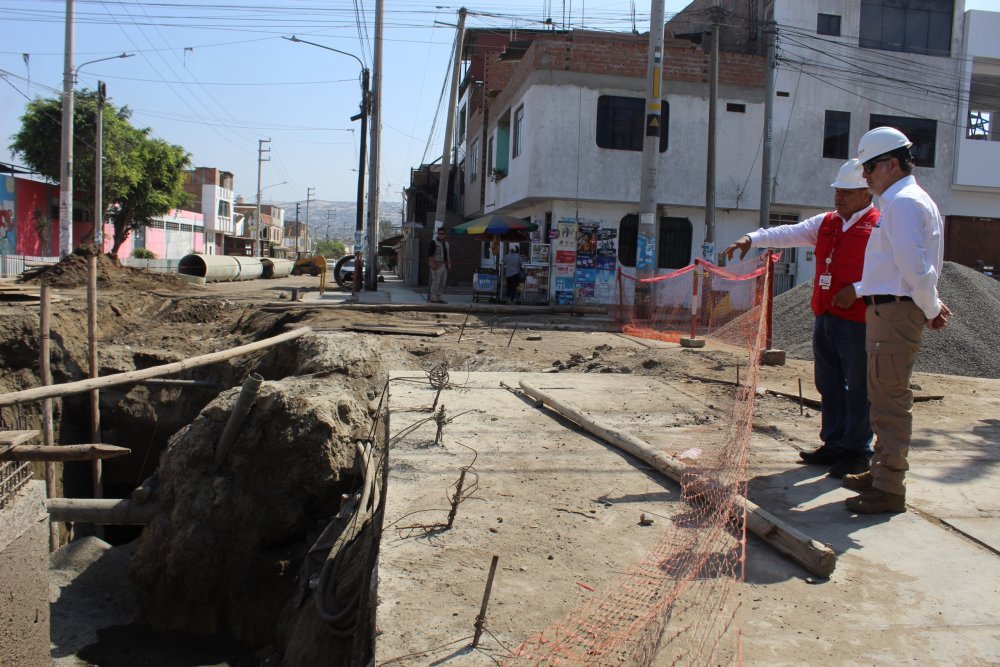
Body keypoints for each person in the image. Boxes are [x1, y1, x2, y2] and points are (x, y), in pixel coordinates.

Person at [722, 158, 877, 478]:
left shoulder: (879, 225)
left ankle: (859, 450)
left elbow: (893, 268)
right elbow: (789, 232)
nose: (838, 198)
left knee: (860, 388)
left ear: (866, 194)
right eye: (837, 191)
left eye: (846, 192)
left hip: (859, 320)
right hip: (826, 315)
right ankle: (834, 443)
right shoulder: (827, 223)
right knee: (829, 383)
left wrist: (859, 289)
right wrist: (752, 238)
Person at [841, 126, 951, 514]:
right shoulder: (902, 202)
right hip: (887, 310)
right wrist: (929, 306)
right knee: (882, 396)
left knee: (889, 401)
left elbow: (916, 269)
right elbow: (911, 269)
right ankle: (882, 471)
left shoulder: (904, 204)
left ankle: (889, 488)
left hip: (894, 311)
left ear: (890, 164)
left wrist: (932, 307)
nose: (865, 175)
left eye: (869, 167)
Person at [428, 227, 451, 304]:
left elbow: (448, 255)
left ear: (445, 234)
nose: (441, 235)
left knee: (442, 282)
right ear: (437, 234)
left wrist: (449, 264)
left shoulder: (447, 244)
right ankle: (433, 297)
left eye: (442, 234)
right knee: (435, 282)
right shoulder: (433, 242)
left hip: (444, 265)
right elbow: (430, 254)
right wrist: (432, 264)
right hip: (437, 265)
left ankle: (439, 296)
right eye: (439, 233)